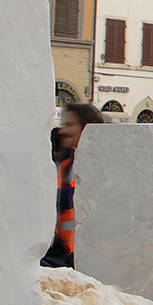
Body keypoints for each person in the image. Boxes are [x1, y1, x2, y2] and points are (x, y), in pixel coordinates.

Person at [42, 103, 103, 267]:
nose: (62, 130)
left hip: (82, 255)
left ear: (87, 127)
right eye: (62, 125)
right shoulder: (65, 164)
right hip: (61, 251)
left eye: (69, 125)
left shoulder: (100, 167)